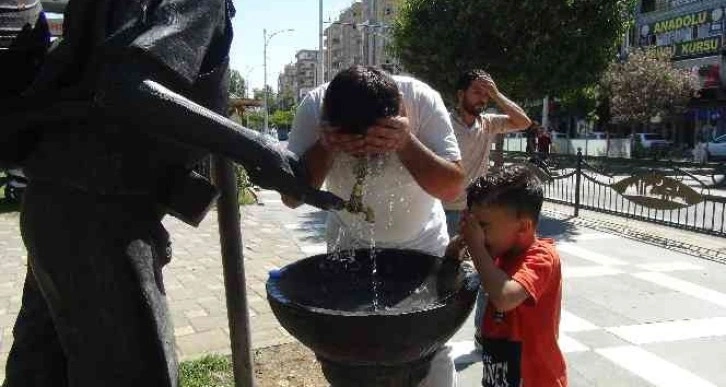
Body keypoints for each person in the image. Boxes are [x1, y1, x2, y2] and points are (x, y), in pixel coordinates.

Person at [2, 1, 340, 386]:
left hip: (59, 202)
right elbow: (128, 88)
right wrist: (259, 150)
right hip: (102, 218)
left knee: (39, 371)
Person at [283, 65, 465, 386]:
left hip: (422, 242)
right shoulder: (315, 107)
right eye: (356, 147)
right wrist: (325, 147)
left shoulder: (421, 99)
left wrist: (406, 142)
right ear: (330, 123)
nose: (367, 157)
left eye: (377, 142)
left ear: (400, 112)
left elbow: (452, 187)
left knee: (431, 343)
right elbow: (291, 198)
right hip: (349, 244)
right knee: (353, 346)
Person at [446, 165, 566, 387]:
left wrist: (476, 245)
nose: (478, 233)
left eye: (483, 225)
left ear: (523, 226)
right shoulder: (499, 252)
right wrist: (455, 251)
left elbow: (505, 298)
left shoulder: (542, 257)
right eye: (474, 225)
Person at [441, 69, 531, 346]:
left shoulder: (488, 123)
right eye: (477, 92)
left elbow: (523, 122)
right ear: (460, 95)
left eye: (486, 93)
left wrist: (496, 94)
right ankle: (437, 330)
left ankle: (483, 332)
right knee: (442, 271)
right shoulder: (443, 123)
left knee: (487, 272)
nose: (482, 99)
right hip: (442, 210)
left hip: (476, 212)